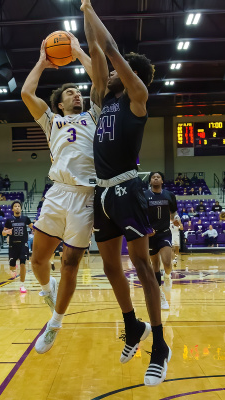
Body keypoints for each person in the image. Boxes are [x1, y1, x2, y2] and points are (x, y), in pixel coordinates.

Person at [82, 0, 170, 386]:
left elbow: (112, 50)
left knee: (142, 267)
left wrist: (90, 8)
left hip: (128, 188)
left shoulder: (137, 98)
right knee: (109, 266)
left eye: (122, 71)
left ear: (134, 75)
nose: (112, 74)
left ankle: (161, 344)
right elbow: (98, 50)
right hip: (102, 195)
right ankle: (132, 325)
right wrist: (85, 13)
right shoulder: (103, 99)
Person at [21, 26, 104, 356]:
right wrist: (42, 61)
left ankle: (55, 323)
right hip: (57, 193)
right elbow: (27, 94)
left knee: (71, 263)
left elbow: (99, 80)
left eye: (77, 92)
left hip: (85, 197)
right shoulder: (51, 121)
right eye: (70, 93)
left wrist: (78, 51)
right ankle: (46, 289)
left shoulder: (93, 115)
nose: (77, 95)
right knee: (38, 260)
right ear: (58, 102)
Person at [144, 172, 182, 310]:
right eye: (153, 177)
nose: (155, 178)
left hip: (164, 233)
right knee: (154, 265)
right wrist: (146, 229)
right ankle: (161, 296)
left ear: (162, 181)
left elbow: (173, 213)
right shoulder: (144, 195)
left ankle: (167, 276)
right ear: (150, 181)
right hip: (150, 235)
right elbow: (141, 215)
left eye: (158, 177)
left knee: (167, 262)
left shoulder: (169, 195)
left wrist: (177, 219)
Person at [2, 200, 33, 293]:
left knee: (23, 264)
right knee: (12, 268)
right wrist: (6, 232)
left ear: (21, 208)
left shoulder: (25, 219)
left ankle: (22, 285)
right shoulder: (9, 220)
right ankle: (13, 266)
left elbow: (33, 227)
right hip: (13, 245)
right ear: (12, 209)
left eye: (18, 206)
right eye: (15, 206)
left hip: (23, 244)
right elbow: (3, 233)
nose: (17, 207)